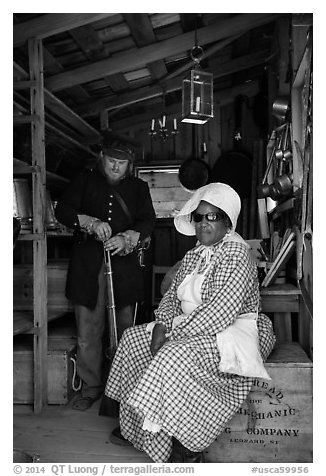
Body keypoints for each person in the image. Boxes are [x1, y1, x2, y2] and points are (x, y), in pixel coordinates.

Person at [104, 182, 276, 463]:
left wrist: (170, 330)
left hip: (232, 331)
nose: (204, 223)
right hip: (190, 325)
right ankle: (139, 427)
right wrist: (161, 323)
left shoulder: (235, 254)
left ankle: (186, 445)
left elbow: (219, 313)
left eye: (213, 217)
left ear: (227, 223)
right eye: (199, 216)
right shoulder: (195, 254)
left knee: (173, 354)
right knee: (133, 339)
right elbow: (171, 296)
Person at [55, 135, 156, 411]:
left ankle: (126, 389)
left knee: (126, 332)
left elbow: (148, 221)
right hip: (87, 268)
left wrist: (127, 238)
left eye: (121, 163)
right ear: (102, 157)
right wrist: (90, 223)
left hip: (125, 269)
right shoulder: (85, 181)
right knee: (88, 331)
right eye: (111, 161)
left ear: (129, 165)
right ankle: (91, 387)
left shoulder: (138, 187)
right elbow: (63, 210)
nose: (115, 167)